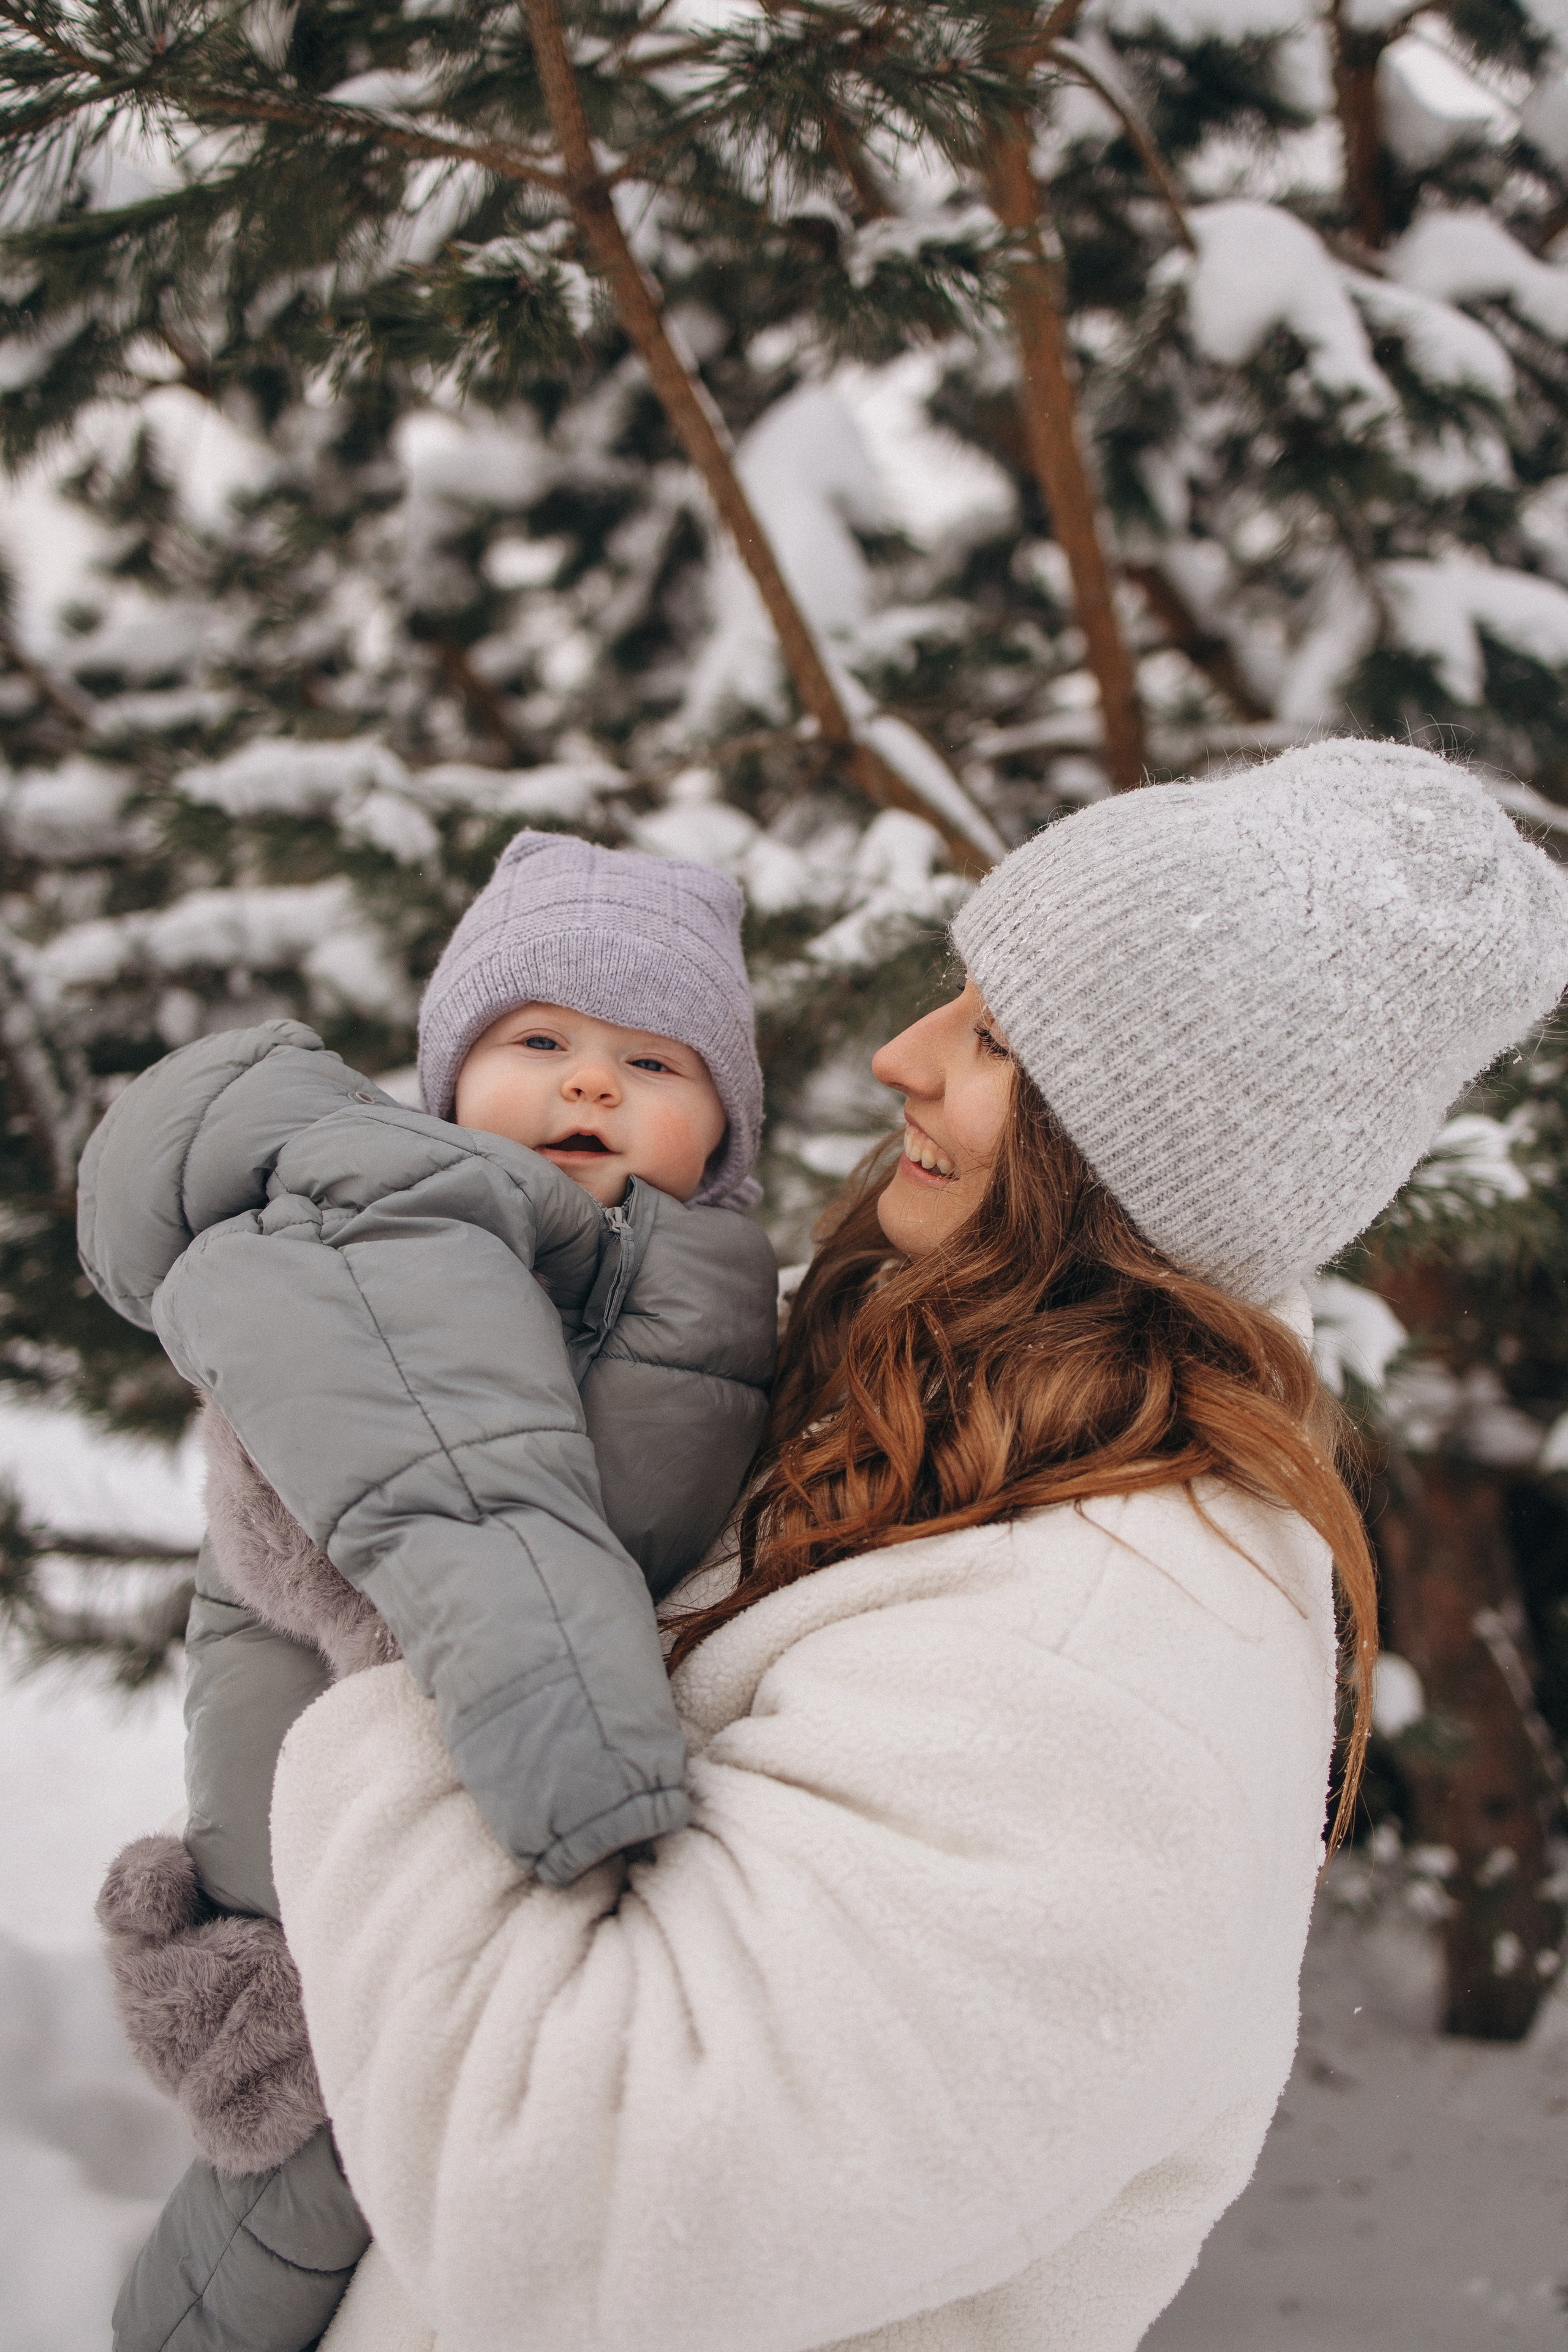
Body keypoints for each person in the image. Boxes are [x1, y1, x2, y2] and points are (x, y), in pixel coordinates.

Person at [102, 742, 1568, 2352]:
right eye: (954, 992)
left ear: (1148, 1147)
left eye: (995, 1038)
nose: (897, 1057)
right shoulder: (864, 1370)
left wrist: (415, 1638)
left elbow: (601, 2217)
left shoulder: (1103, 1657)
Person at [80, 831, 779, 2352]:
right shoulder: (396, 1219)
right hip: (358, 1780)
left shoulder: (679, 1266)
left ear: (725, 1127)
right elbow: (461, 1498)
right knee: (303, 2178)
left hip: (484, 1767)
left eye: (652, 1061)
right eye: (537, 1043)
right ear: (448, 1073)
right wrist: (594, 1790)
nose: (589, 1084)